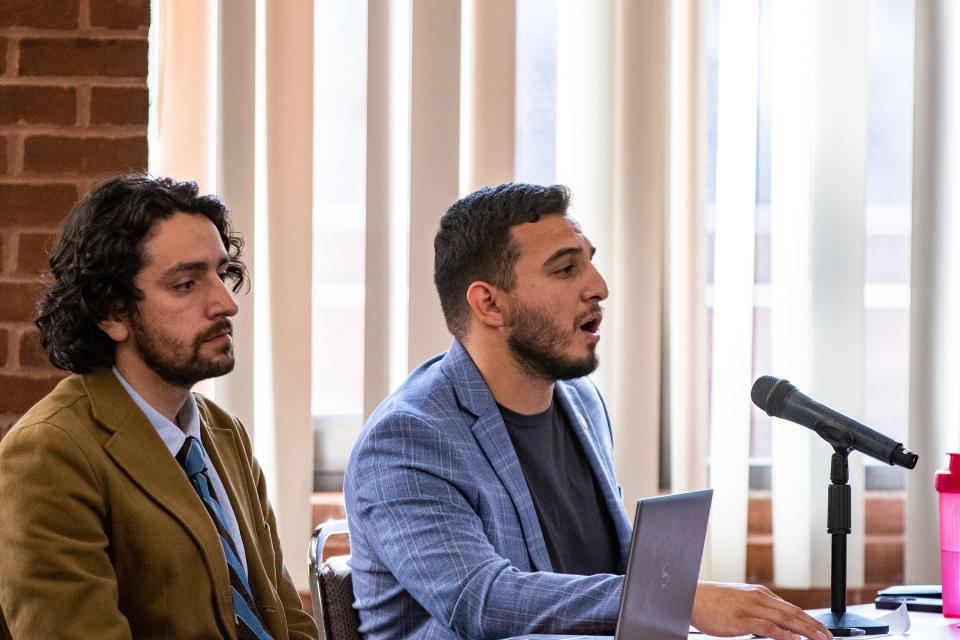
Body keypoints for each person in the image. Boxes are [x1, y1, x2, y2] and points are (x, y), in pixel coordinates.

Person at [344, 183, 833, 640]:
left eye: (591, 264)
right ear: (489, 304)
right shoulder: (407, 440)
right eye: (564, 269)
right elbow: (481, 600)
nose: (598, 286)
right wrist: (676, 600)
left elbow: (604, 581)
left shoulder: (582, 402)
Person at [0, 174, 318, 639]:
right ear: (112, 312)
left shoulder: (224, 433)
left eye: (223, 274)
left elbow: (288, 621)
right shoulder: (49, 453)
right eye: (186, 284)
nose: (226, 303)